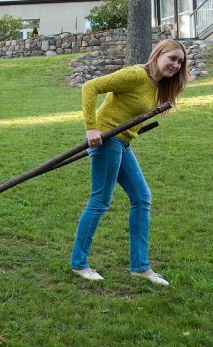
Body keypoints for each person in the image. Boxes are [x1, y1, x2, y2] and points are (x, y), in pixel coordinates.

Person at [70, 39, 189, 285]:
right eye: (172, 58)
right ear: (158, 54)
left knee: (142, 197)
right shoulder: (135, 75)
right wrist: (91, 128)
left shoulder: (157, 85)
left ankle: (140, 267)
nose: (176, 65)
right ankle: (79, 264)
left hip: (122, 142)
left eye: (180, 62)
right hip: (106, 139)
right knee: (100, 200)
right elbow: (90, 86)